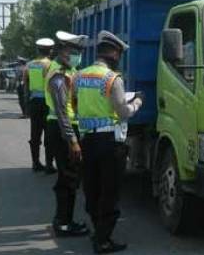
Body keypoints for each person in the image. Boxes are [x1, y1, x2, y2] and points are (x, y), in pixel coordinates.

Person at [73, 31, 142, 253]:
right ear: (113, 53)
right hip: (110, 142)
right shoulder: (113, 78)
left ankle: (97, 230)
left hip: (87, 139)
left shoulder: (80, 75)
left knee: (92, 189)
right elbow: (122, 112)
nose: (119, 57)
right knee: (109, 192)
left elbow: (73, 103)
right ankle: (103, 240)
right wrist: (138, 102)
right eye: (119, 53)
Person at [45, 31, 90, 237]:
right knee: (69, 178)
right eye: (74, 52)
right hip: (62, 130)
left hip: (60, 128)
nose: (77, 56)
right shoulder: (58, 76)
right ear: (63, 52)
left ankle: (62, 220)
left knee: (67, 178)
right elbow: (62, 111)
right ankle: (64, 223)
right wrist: (72, 140)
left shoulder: (65, 71)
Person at [23, 38, 55, 173]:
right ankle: (49, 165)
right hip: (48, 104)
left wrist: (26, 105)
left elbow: (25, 85)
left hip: (34, 102)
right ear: (50, 50)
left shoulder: (29, 65)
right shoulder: (51, 65)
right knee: (49, 135)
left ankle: (35, 163)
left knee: (35, 134)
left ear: (38, 50)